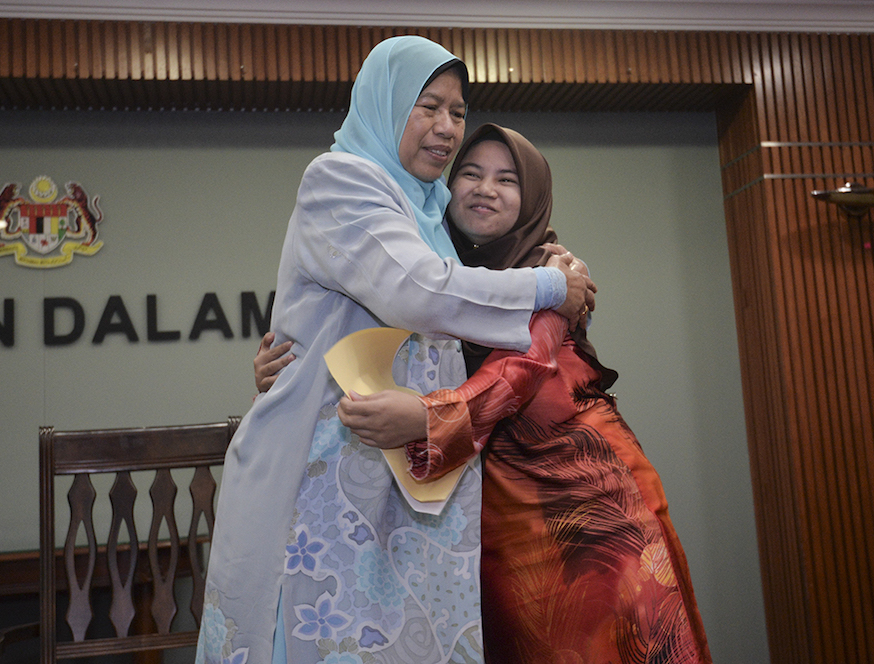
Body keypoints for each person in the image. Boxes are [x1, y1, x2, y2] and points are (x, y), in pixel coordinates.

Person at [196, 38, 596, 664]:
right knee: (322, 636)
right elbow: (416, 291)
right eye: (427, 106)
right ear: (384, 104)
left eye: (457, 112)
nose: (445, 127)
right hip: (325, 475)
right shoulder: (341, 180)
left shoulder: (432, 212)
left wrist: (553, 267)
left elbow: (479, 287)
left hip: (412, 480)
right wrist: (550, 286)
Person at [267, 124, 714, 663]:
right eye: (471, 174)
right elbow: (363, 337)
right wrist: (288, 372)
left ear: (532, 198)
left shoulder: (549, 275)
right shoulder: (433, 275)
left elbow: (520, 370)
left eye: (507, 179)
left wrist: (429, 419)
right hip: (490, 513)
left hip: (587, 504)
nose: (485, 189)